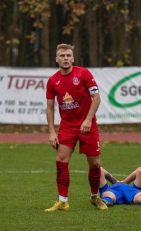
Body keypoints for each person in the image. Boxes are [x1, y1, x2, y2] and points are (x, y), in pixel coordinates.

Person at [44, 43, 107, 211]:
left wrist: (87, 120)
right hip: (67, 127)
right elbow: (50, 107)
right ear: (56, 59)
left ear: (73, 58)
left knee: (94, 163)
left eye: (68, 55)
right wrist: (51, 132)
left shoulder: (83, 73)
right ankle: (63, 201)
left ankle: (94, 197)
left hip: (88, 125)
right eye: (62, 56)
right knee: (61, 160)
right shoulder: (52, 81)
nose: (65, 58)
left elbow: (97, 98)